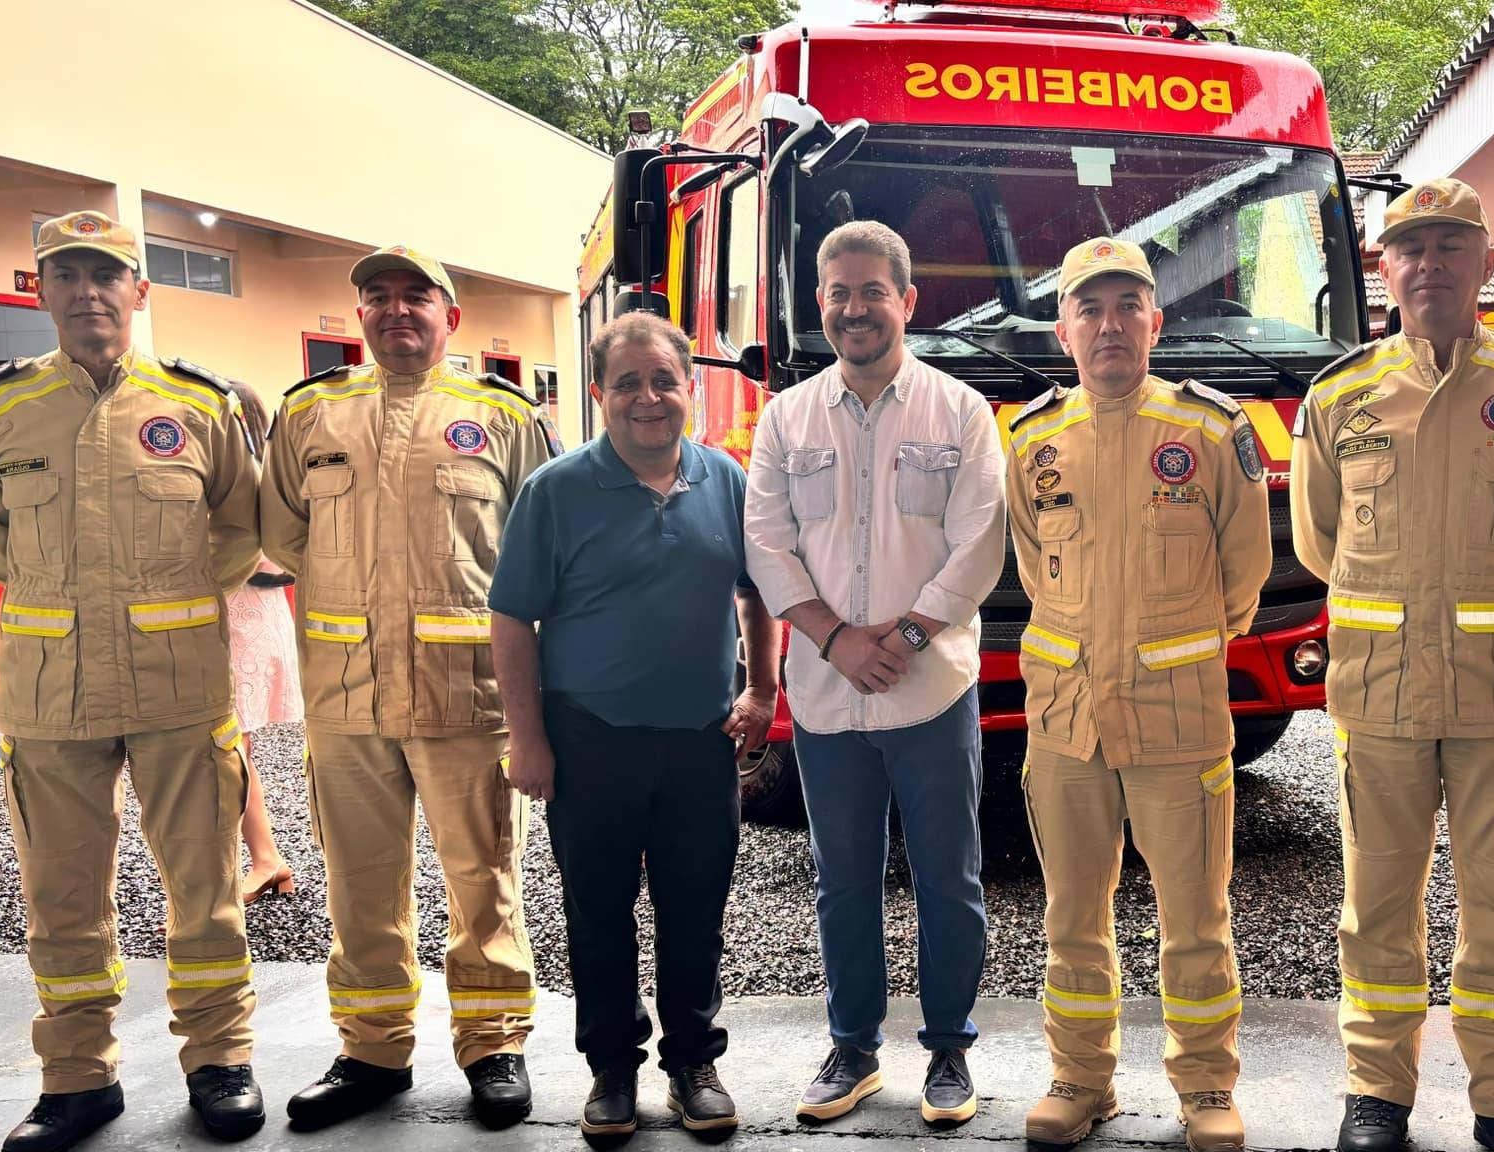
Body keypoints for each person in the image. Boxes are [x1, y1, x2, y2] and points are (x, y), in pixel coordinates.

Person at [1287, 179, 1494, 1152]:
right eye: (1409, 247)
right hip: (1378, 698)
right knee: (1375, 909)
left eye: (1450, 246)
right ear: (1383, 268)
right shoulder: (1337, 395)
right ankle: (1374, 1095)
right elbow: (1317, 541)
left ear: (1484, 264)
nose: (1429, 264)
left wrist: (1485, 605)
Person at [0, 210, 266, 1149]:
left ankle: (220, 1061)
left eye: (107, 275)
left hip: (179, 685)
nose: (88, 292)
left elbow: (240, 532)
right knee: (60, 893)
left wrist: (161, 600)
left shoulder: (198, 406)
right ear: (41, 290)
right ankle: (78, 1079)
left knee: (205, 883)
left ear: (139, 290)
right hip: (51, 693)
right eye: (67, 276)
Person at [259, 245, 558, 1131]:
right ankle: (371, 1051)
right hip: (346, 697)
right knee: (358, 882)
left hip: (469, 697)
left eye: (416, 296)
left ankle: (493, 1043)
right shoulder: (311, 415)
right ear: (359, 318)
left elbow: (540, 557)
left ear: (450, 317)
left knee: (484, 878)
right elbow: (283, 537)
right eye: (377, 298)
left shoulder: (502, 417)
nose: (396, 311)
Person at [1005, 236, 1270, 1152]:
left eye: (1128, 306)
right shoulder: (1033, 439)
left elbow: (1244, 574)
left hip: (1175, 716)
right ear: (1064, 328)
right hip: (1067, 720)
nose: (1109, 324)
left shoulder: (1209, 430)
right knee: (1072, 915)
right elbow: (1037, 570)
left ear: (1156, 321)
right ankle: (1081, 1078)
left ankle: (1204, 1087)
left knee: (1195, 917)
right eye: (1090, 308)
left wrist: (1170, 650)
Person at [489, 312, 779, 1138]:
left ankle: (693, 1061)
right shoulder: (558, 490)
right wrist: (528, 738)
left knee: (696, 907)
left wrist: (762, 689)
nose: (647, 398)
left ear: (687, 389)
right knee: (598, 910)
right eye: (627, 383)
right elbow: (512, 620)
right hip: (590, 740)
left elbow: (760, 592)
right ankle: (611, 1069)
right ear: (599, 394)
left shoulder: (725, 479)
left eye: (662, 380)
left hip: (700, 742)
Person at [743, 220, 1005, 1127]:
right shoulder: (786, 418)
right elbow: (768, 545)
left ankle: (948, 1053)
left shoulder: (961, 412)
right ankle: (852, 1047)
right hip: (826, 696)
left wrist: (906, 634)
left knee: (948, 877)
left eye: (873, 291)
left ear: (907, 301)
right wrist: (835, 641)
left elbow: (981, 543)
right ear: (821, 302)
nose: (856, 308)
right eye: (839, 293)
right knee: (842, 876)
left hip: (931, 688)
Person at [221, 378, 300, 904]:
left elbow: (270, 557)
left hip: (241, 614)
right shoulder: (264, 468)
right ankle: (263, 857)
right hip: (247, 614)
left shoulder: (252, 473)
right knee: (231, 744)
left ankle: (263, 857)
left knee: (227, 744)